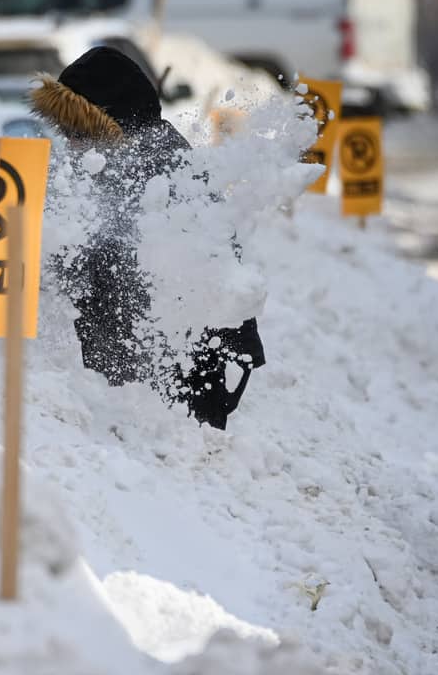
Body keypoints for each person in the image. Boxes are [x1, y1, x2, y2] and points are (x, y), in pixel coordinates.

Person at [29, 45, 265, 430]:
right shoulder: (131, 154)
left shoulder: (152, 165)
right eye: (65, 130)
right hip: (180, 358)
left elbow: (113, 259)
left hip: (193, 369)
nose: (69, 142)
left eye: (77, 130)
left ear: (109, 122)